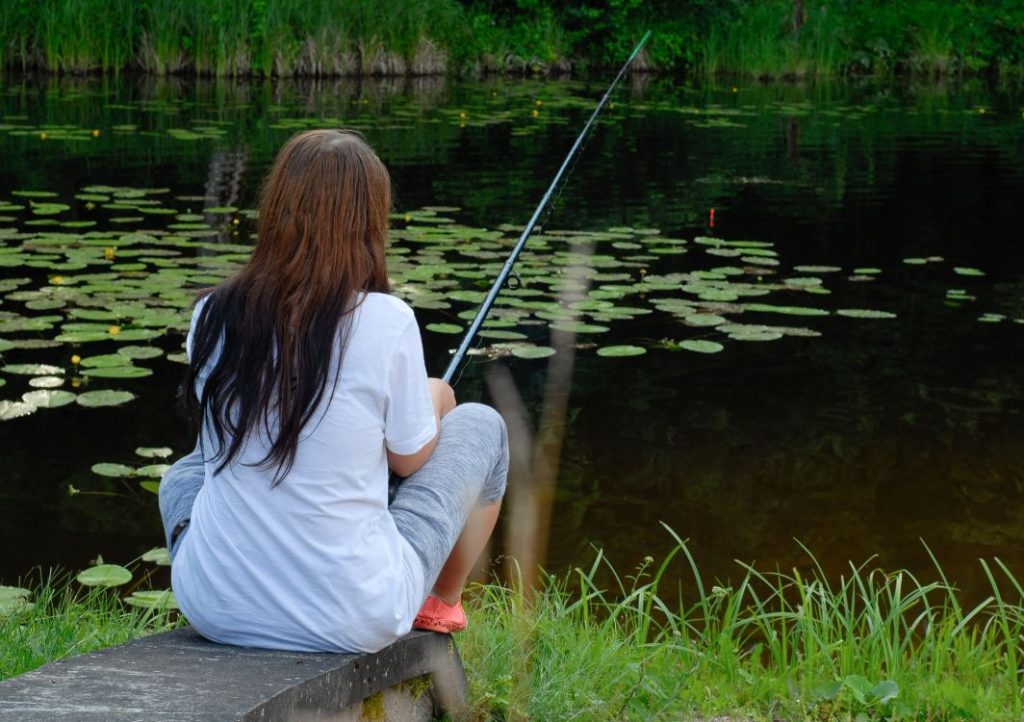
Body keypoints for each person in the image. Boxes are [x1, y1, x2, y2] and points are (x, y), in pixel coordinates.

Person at [158, 129, 509, 654]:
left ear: (274, 211)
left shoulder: (211, 314)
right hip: (355, 615)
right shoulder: (387, 320)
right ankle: (439, 599)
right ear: (369, 223)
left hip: (214, 606)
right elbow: (410, 461)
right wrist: (437, 396)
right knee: (484, 426)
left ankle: (238, 578)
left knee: (189, 467)